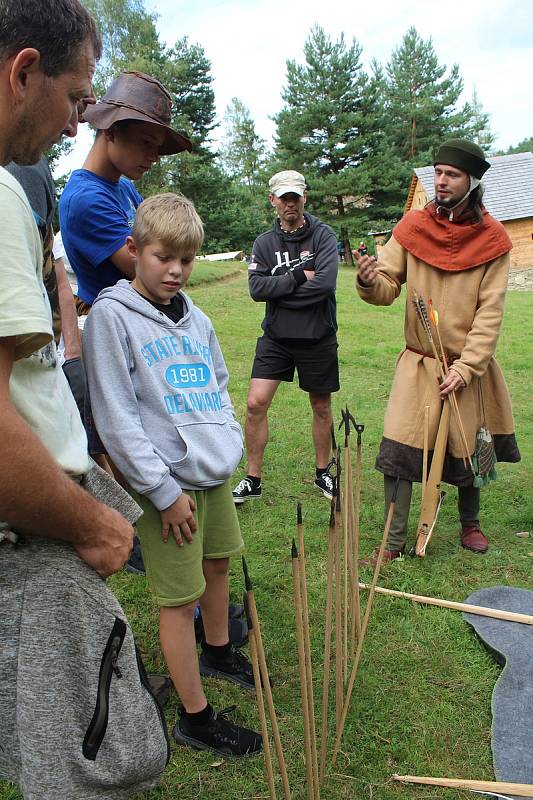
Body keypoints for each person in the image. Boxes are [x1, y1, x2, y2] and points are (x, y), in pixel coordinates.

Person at [0, 1, 154, 796]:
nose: (72, 124)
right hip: (26, 535)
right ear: (23, 70)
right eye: (73, 95)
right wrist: (87, 518)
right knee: (84, 764)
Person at [83, 193, 262, 757]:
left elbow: (218, 384)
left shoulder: (199, 317)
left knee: (216, 564)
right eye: (164, 257)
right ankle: (196, 715)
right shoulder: (111, 319)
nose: (176, 271)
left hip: (210, 473)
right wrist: (163, 493)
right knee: (177, 599)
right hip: (169, 486)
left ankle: (217, 649)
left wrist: (229, 440)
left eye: (187, 260)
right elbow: (116, 418)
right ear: (134, 250)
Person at [356, 139, 520, 564]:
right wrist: (370, 280)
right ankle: (392, 542)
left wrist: (467, 368)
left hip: (466, 365)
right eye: (438, 172)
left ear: (472, 181)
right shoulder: (412, 228)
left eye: (452, 174)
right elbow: (387, 286)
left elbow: (490, 313)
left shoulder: (494, 240)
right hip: (419, 363)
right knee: (400, 450)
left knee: (468, 446)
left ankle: (471, 522)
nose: (441, 181)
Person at [232, 169, 340, 503]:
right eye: (284, 198)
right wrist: (296, 277)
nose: (290, 204)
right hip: (276, 338)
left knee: (321, 406)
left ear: (304, 197)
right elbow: (256, 289)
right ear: (273, 201)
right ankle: (253, 479)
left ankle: (324, 474)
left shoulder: (323, 236)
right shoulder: (264, 243)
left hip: (317, 335)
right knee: (255, 404)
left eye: (295, 197)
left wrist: (279, 292)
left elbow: (324, 285)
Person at [59, 69, 192, 314]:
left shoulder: (124, 187)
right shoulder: (86, 199)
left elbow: (166, 244)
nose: (154, 157)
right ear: (110, 130)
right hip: (116, 324)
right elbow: (150, 270)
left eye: (158, 147)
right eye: (146, 142)